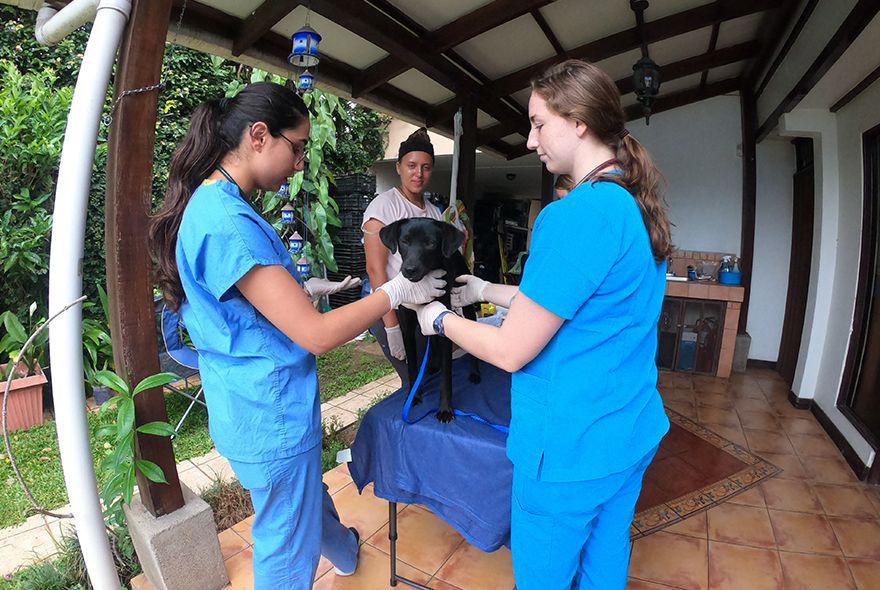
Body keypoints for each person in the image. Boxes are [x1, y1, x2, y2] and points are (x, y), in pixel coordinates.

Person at [148, 82, 446, 590]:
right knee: (287, 551)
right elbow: (317, 335)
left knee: (303, 501)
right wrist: (395, 292)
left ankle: (344, 549)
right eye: (299, 147)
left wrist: (309, 285)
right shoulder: (229, 221)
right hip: (271, 414)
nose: (301, 162)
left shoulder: (213, 203)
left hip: (245, 403)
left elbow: (250, 297)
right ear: (259, 136)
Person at [405, 60, 673, 590]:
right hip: (628, 432)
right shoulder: (634, 206)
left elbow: (510, 350)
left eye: (537, 123)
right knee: (602, 566)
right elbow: (576, 302)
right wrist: (483, 290)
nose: (530, 141)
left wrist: (435, 318)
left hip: (569, 451)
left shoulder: (575, 214)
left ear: (578, 121)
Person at [362, 127, 444, 387]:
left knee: (431, 376)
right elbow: (376, 270)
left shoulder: (434, 213)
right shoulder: (384, 207)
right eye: (411, 165)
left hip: (423, 310)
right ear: (398, 167)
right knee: (414, 383)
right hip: (393, 310)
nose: (418, 174)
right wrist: (391, 327)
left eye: (426, 167)